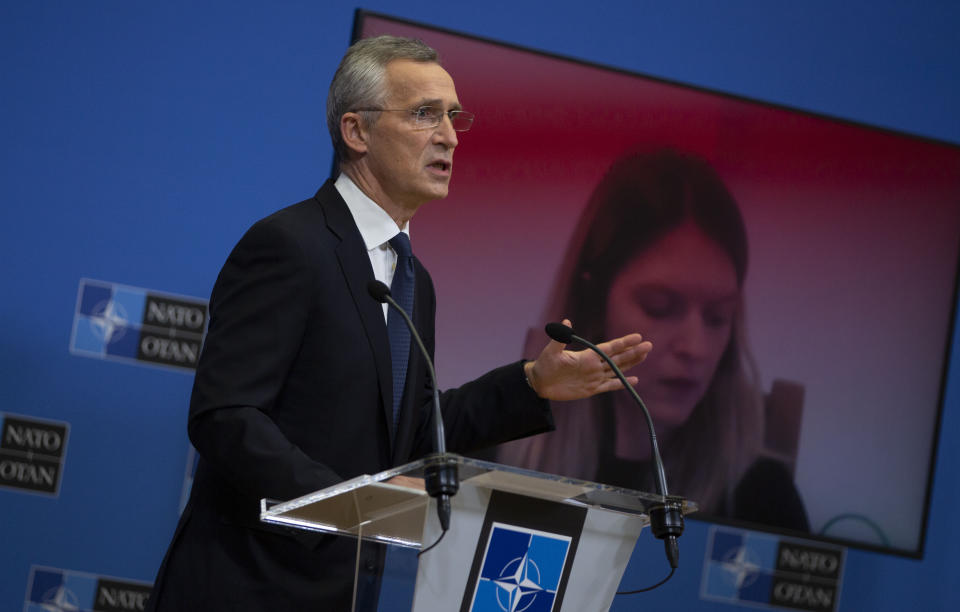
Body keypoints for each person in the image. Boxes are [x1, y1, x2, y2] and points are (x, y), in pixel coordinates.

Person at [145, 36, 651, 611]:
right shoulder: (290, 246)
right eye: (424, 114)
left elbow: (411, 434)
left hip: (343, 591)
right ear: (356, 131)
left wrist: (532, 383)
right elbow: (224, 415)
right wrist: (352, 502)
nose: (450, 137)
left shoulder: (413, 279)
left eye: (453, 117)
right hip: (245, 588)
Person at [497, 149, 809, 532]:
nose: (696, 347)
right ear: (594, 302)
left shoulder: (762, 500)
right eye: (660, 307)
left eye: (717, 317)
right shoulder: (496, 459)